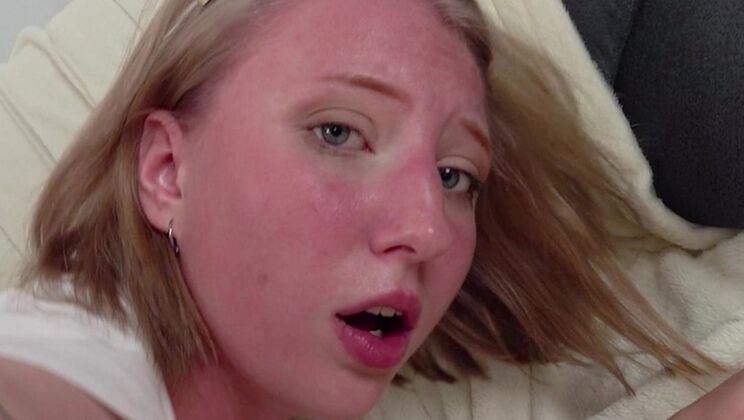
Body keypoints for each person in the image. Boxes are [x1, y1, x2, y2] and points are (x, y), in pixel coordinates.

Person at [0, 0, 725, 418]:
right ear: (167, 171)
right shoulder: (74, 353)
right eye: (338, 133)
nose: (430, 230)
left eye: (455, 175)